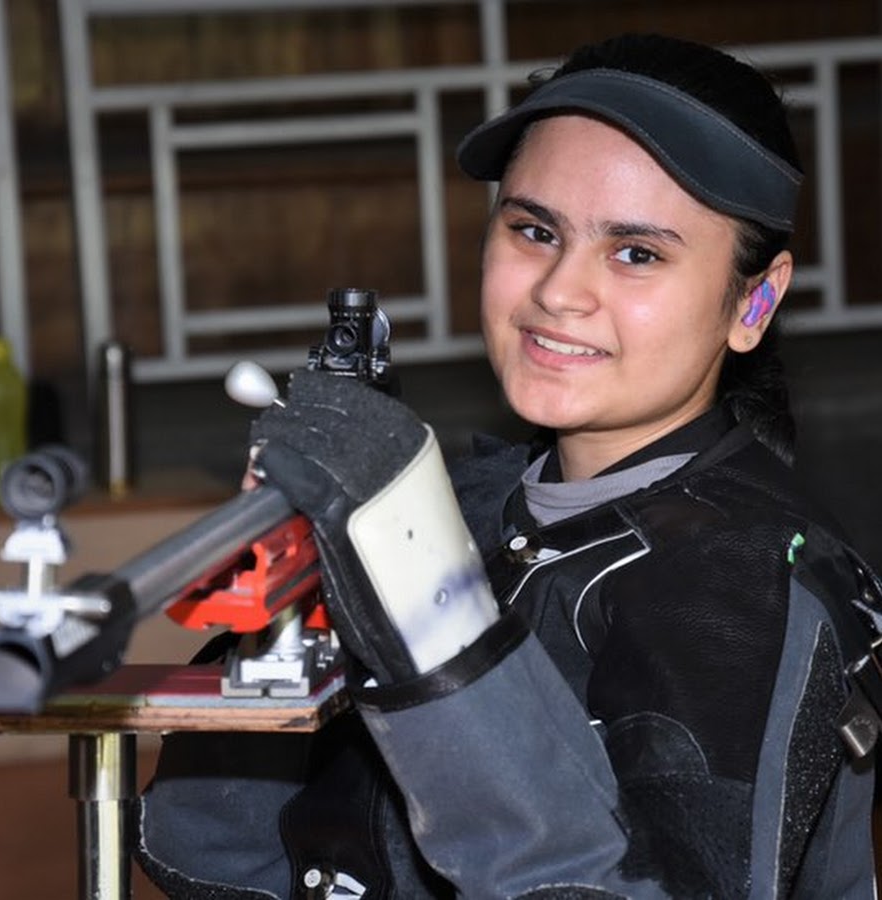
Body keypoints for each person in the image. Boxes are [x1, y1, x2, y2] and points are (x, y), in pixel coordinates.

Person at [135, 33, 882, 898]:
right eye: (534, 230)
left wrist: (435, 633)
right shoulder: (470, 508)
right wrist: (290, 620)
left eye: (637, 253)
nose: (559, 290)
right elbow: (206, 856)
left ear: (754, 302)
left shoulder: (744, 587)